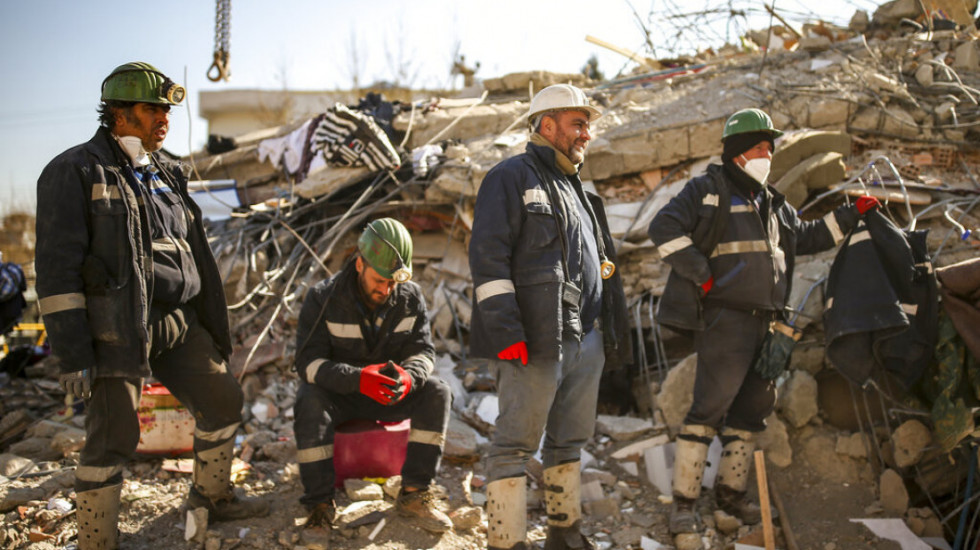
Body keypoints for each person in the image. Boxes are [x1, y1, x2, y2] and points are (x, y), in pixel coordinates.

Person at [35, 62, 269, 549]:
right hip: (117, 328)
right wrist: (73, 354)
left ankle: (213, 497)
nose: (163, 118)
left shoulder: (167, 171)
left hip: (178, 320)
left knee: (224, 400)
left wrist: (209, 319)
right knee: (112, 436)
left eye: (166, 110)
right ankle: (97, 541)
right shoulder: (75, 171)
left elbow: (191, 249)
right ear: (118, 114)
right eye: (150, 109)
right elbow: (57, 273)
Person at [647, 108, 880, 534]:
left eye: (770, 148)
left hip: (768, 323)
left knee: (753, 410)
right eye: (760, 147)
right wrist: (701, 275)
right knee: (708, 409)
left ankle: (730, 499)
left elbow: (808, 238)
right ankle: (683, 505)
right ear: (737, 152)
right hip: (726, 320)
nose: (768, 154)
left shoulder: (771, 202)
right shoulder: (706, 191)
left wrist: (850, 214)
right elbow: (663, 228)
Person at [469, 84, 632, 550]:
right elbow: (488, 258)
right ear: (546, 124)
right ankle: (507, 542)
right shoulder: (510, 177)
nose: (586, 133)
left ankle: (564, 535)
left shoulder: (577, 189)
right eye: (577, 123)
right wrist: (505, 331)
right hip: (536, 339)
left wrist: (606, 333)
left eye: (587, 124)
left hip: (585, 339)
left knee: (569, 444)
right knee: (515, 445)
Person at [292, 217, 453, 545]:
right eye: (380, 280)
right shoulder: (322, 298)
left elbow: (423, 351)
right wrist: (355, 379)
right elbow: (307, 364)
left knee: (437, 391)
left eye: (393, 283)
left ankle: (413, 494)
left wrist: (411, 376)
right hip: (342, 396)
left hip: (391, 394)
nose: (386, 289)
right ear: (359, 263)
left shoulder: (409, 297)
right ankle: (320, 505)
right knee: (309, 399)